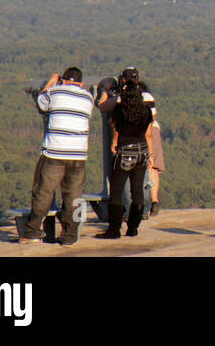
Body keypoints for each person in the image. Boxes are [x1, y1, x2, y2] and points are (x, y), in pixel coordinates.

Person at [20, 67, 94, 246]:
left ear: (63, 81)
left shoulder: (55, 91)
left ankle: (33, 232)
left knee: (43, 192)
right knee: (74, 196)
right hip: (78, 155)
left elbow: (41, 102)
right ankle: (69, 236)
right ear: (81, 83)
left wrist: (51, 82)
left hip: (54, 152)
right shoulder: (88, 97)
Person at [96, 67, 155, 238]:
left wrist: (114, 142)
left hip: (125, 151)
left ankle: (114, 229)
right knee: (137, 191)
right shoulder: (146, 111)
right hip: (142, 151)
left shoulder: (120, 109)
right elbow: (149, 134)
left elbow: (114, 126)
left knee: (116, 191)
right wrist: (150, 155)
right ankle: (133, 228)